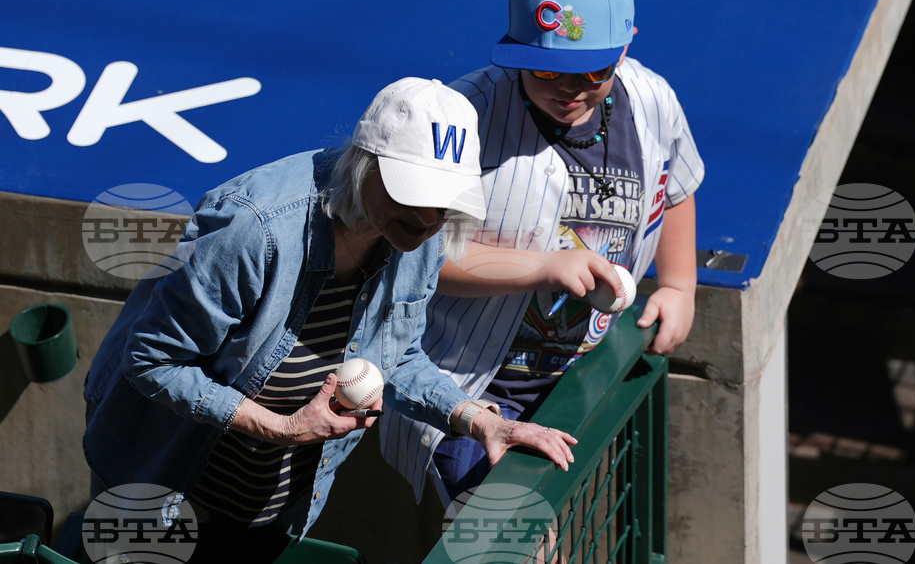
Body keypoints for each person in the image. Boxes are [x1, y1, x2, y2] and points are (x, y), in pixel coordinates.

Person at [82, 78, 577, 564]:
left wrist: (482, 422)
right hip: (165, 481)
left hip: (270, 509)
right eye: (415, 192)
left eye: (447, 201)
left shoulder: (421, 239)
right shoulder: (255, 229)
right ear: (364, 165)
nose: (429, 218)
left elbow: (398, 356)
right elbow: (153, 360)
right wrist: (281, 428)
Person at [380, 0, 705, 507]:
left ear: (625, 47)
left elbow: (675, 188)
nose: (570, 88)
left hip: (581, 375)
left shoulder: (652, 99)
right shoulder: (463, 117)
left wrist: (679, 285)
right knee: (501, 530)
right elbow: (411, 252)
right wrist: (541, 267)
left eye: (594, 70)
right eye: (547, 69)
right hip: (470, 382)